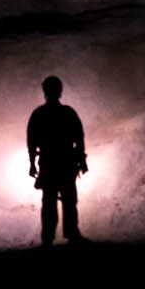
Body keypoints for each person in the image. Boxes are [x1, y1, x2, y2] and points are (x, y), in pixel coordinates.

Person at [26, 75, 87, 245]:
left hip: (49, 163)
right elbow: (79, 138)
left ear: (44, 92)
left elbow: (31, 141)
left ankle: (48, 238)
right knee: (68, 200)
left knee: (50, 201)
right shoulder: (68, 113)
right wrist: (81, 160)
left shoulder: (39, 114)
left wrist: (32, 164)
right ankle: (71, 234)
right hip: (65, 162)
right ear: (60, 91)